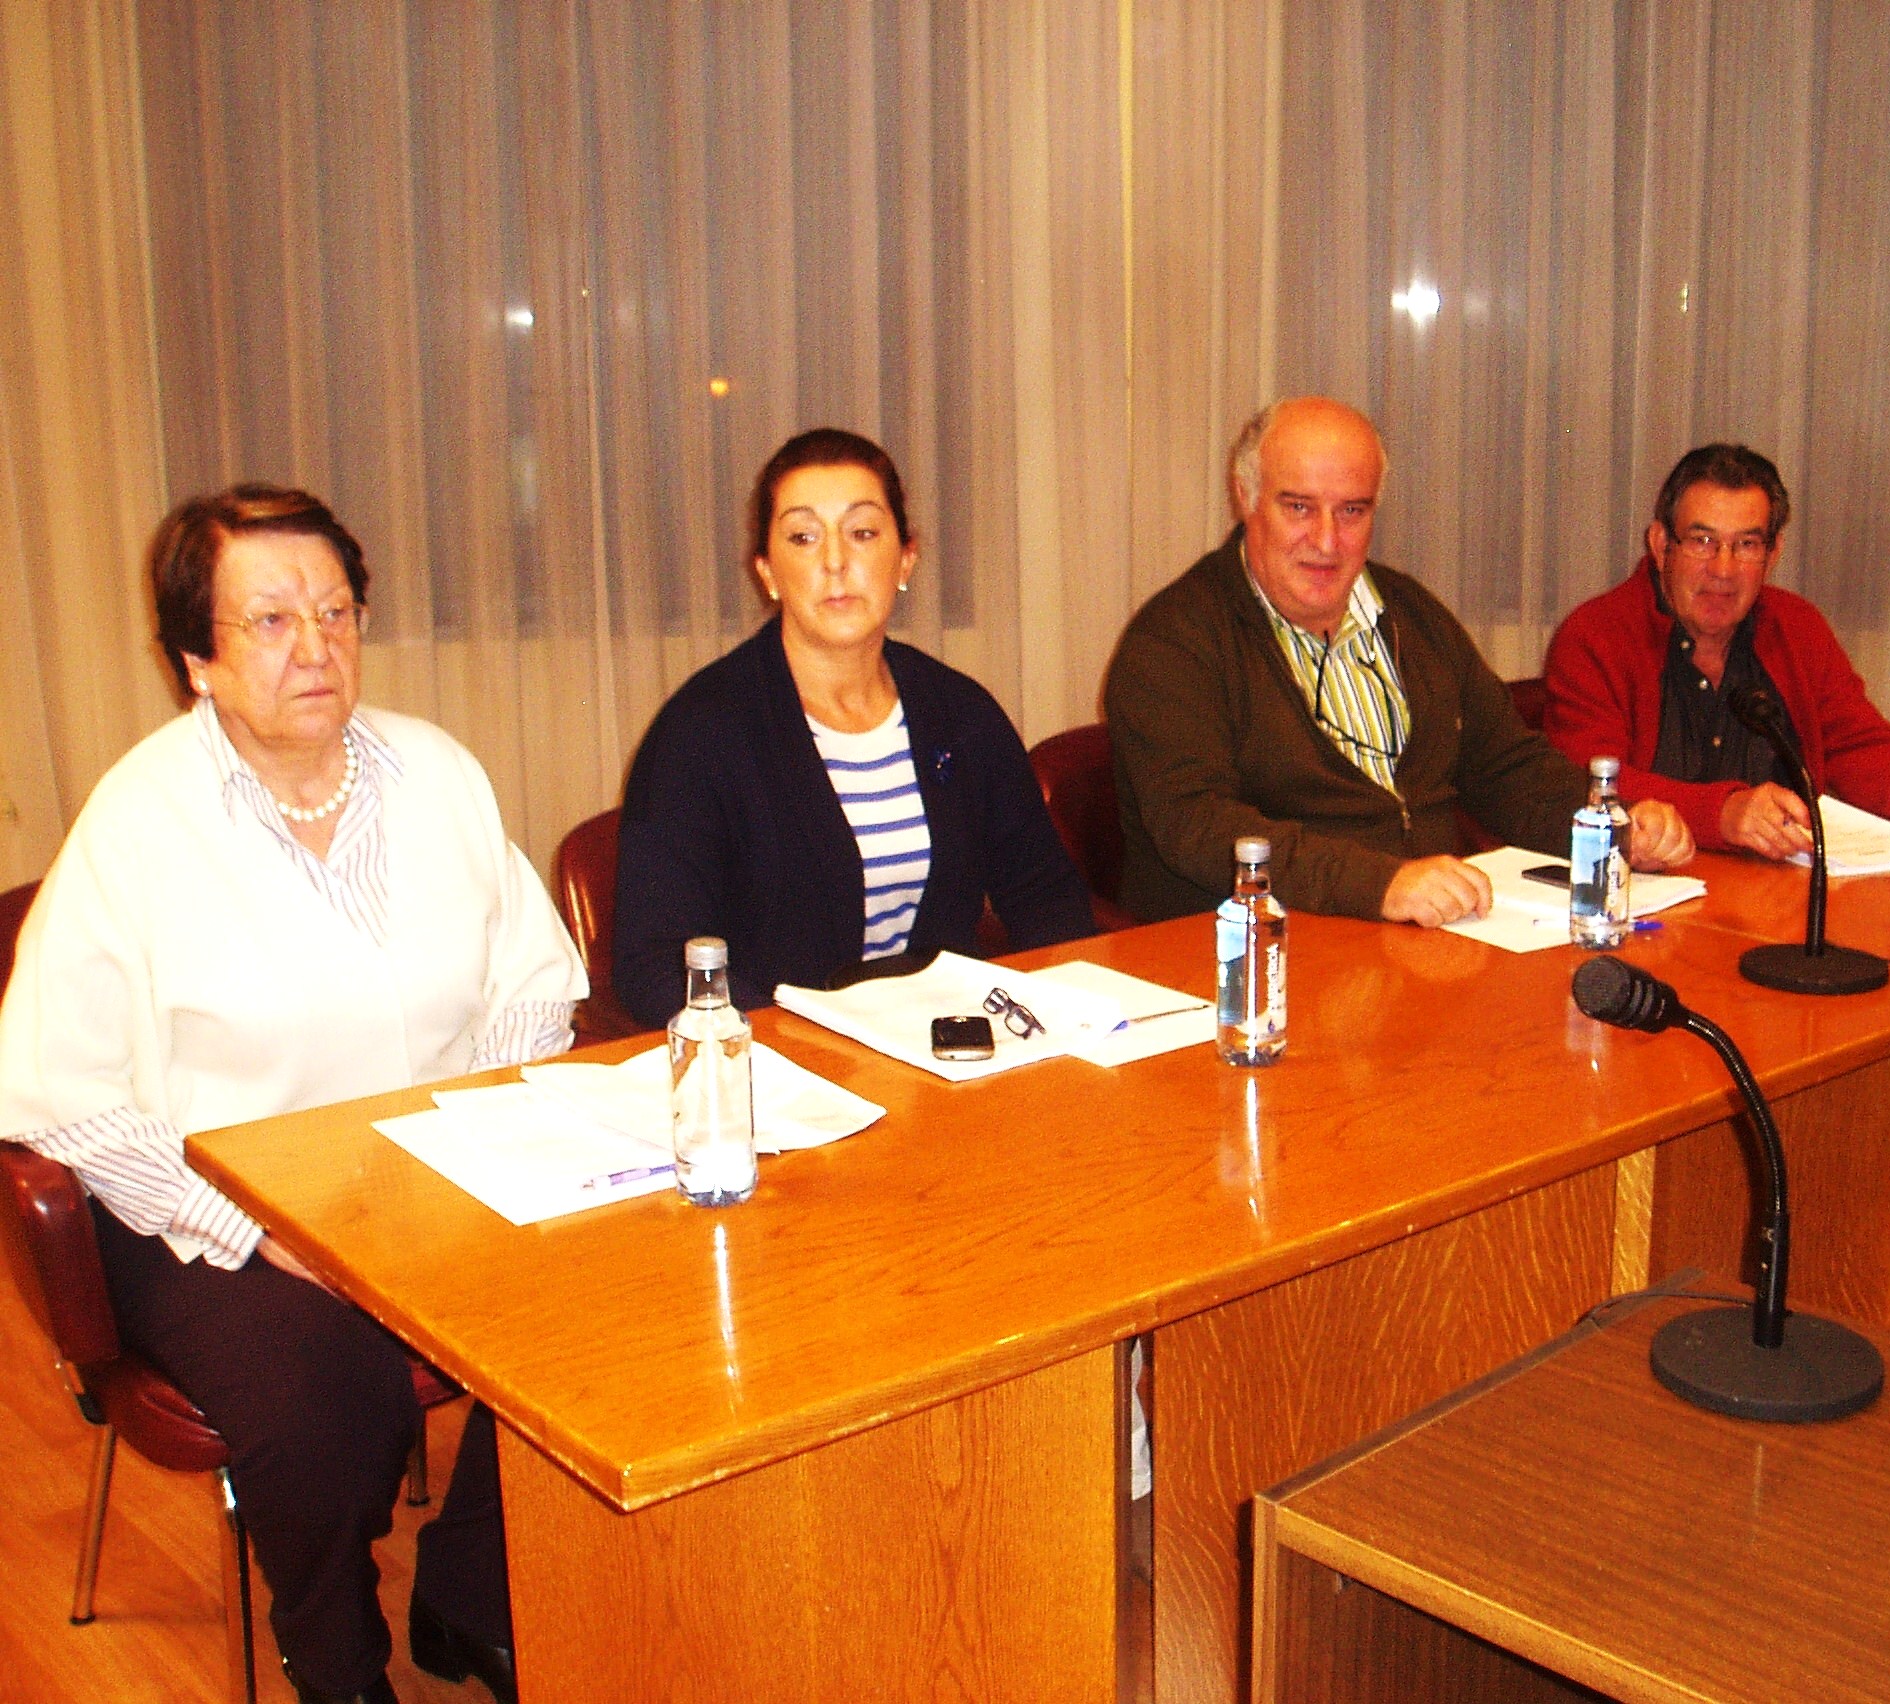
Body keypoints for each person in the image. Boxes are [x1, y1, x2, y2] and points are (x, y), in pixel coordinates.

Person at [0, 486, 583, 1704]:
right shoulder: (139, 822)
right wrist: (262, 1228)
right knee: (330, 1394)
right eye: (268, 621)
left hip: (432, 1167)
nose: (313, 647)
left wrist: (479, 1132)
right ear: (196, 659)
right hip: (203, 1198)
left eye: (334, 612)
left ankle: (470, 1592)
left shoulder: (437, 773)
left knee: (595, 1290)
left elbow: (531, 983)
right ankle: (336, 1659)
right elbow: (65, 1094)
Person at [1105, 397, 1692, 925]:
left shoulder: (1410, 613)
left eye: (1352, 511)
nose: (1327, 541)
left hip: (1431, 940)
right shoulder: (1174, 641)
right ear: (1246, 496)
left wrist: (1612, 827)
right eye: (1299, 507)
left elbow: (1505, 767)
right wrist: (1381, 885)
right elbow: (1198, 826)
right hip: (1260, 951)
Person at [612, 428, 1096, 1026]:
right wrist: (790, 1044)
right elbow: (655, 962)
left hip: (950, 1048)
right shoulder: (700, 734)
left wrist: (1066, 1022)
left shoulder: (960, 713)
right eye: (803, 537)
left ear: (906, 559)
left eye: (862, 532)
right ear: (767, 572)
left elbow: (1046, 898)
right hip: (778, 1056)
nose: (835, 562)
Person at [1543, 443, 1890, 859]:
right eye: (1702, 541)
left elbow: (1854, 743)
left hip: (1780, 884)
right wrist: (1721, 813)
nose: (1723, 569)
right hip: (1650, 887)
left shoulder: (1797, 628)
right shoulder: (1596, 636)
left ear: (1773, 554)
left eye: (1746, 545)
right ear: (1660, 546)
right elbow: (1586, 782)